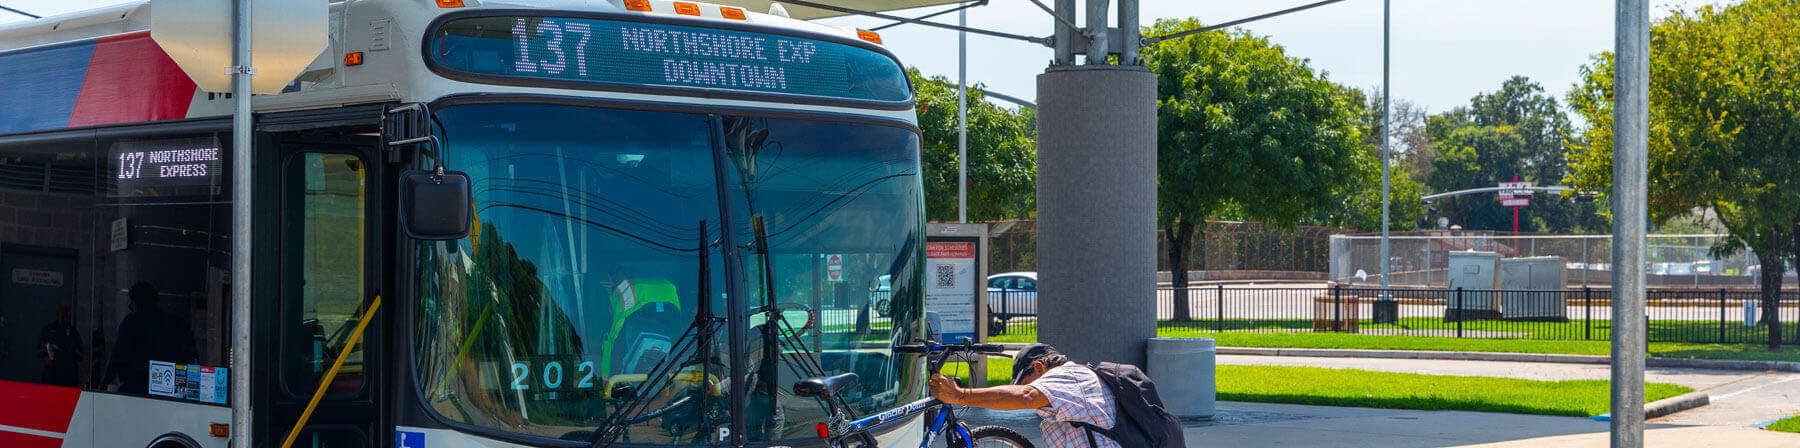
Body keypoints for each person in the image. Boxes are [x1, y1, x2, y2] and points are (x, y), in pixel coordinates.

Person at [929, 343, 1119, 448]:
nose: (1021, 389)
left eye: (1022, 382)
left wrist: (960, 395)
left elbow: (1026, 396)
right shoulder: (1059, 408)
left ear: (1038, 368)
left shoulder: (1069, 375)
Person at [103, 282, 196, 394]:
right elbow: (190, 357)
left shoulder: (132, 322)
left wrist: (102, 385)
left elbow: (117, 357)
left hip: (136, 389)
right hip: (169, 391)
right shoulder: (176, 323)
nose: (129, 306)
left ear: (136, 302)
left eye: (131, 301)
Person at [36, 303, 84, 387]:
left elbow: (81, 355)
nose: (65, 319)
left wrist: (72, 351)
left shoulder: (73, 332)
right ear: (58, 314)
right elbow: (37, 351)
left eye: (67, 316)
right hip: (52, 375)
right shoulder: (49, 330)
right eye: (63, 315)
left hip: (69, 377)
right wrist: (46, 353)